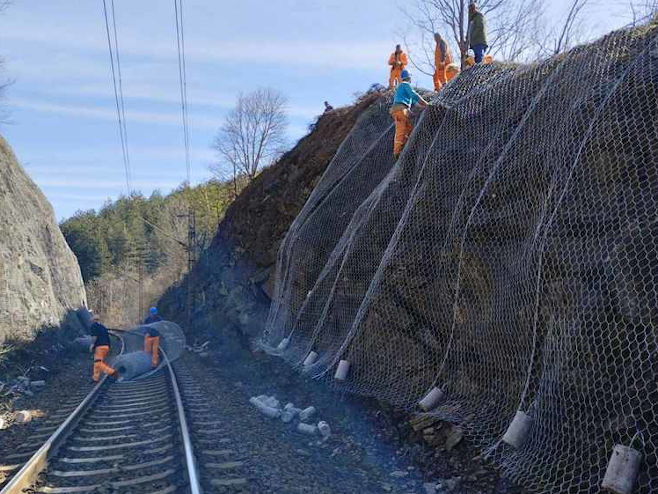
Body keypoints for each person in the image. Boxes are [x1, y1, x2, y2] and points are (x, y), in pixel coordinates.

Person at [389, 70, 429, 159]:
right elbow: (413, 95)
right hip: (401, 110)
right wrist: (425, 103)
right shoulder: (405, 84)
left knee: (408, 128)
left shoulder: (400, 88)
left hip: (400, 110)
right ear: (409, 78)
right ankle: (397, 152)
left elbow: (413, 101)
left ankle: (405, 147)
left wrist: (422, 107)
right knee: (401, 129)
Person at [89, 314, 118, 382]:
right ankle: (95, 378)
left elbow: (94, 337)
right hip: (106, 346)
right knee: (97, 362)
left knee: (98, 363)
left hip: (100, 346)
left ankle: (112, 372)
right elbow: (108, 338)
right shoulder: (103, 327)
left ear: (94, 320)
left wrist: (92, 345)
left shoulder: (94, 326)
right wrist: (109, 347)